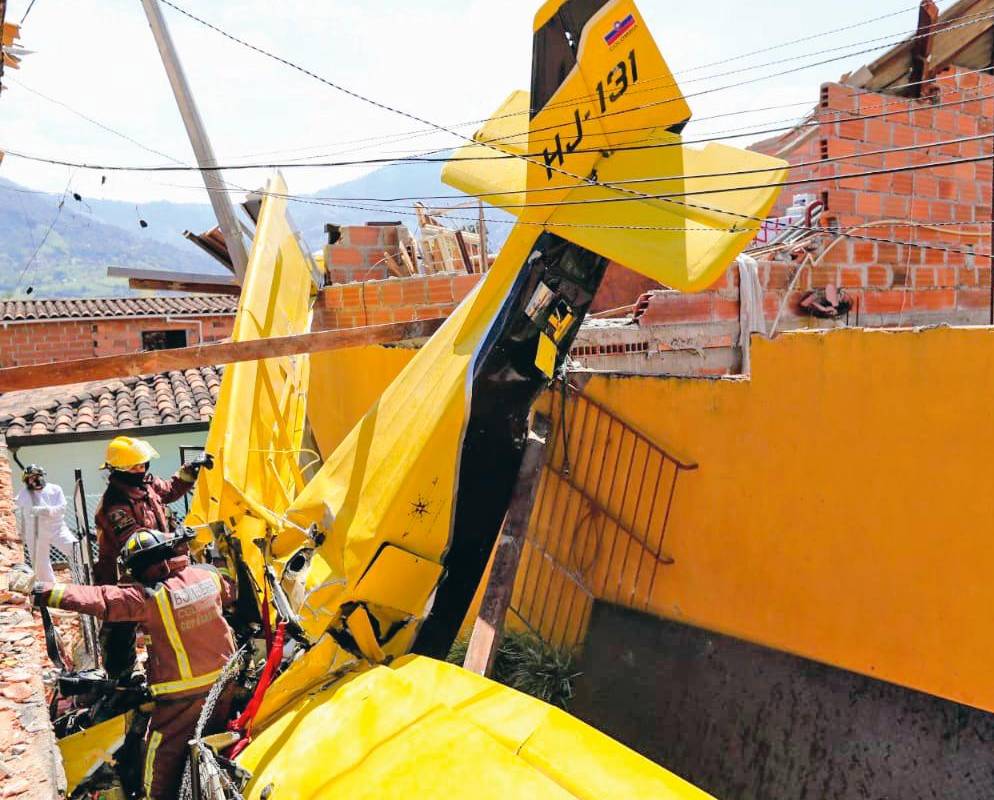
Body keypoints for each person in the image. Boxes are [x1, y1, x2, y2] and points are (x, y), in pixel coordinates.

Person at [4, 528, 237, 800]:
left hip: (182, 699)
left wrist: (39, 589)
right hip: (226, 685)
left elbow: (99, 598)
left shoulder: (150, 597)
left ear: (141, 568)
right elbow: (230, 585)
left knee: (158, 765)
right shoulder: (207, 578)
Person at [93, 436, 213, 681]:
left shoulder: (145, 485)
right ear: (120, 469)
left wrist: (192, 469)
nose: (143, 469)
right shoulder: (114, 505)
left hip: (158, 567)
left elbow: (170, 490)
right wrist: (174, 537)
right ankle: (121, 680)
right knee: (120, 628)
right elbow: (138, 543)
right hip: (127, 577)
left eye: (144, 464)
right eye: (137, 466)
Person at [14, 464, 80, 584]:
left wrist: (48, 510)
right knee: (40, 564)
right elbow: (13, 506)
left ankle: (81, 579)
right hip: (35, 533)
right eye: (31, 478)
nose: (34, 480)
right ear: (27, 481)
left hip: (57, 528)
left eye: (36, 476)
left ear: (42, 476)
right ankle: (51, 589)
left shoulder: (54, 489)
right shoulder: (23, 493)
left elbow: (62, 507)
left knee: (76, 549)